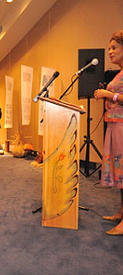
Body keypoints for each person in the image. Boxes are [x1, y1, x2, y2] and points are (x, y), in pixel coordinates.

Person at [94, 30, 123, 235]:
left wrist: (109, 95)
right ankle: (121, 212)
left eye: (114, 48)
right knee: (120, 172)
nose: (110, 52)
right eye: (109, 48)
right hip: (114, 125)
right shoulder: (119, 72)